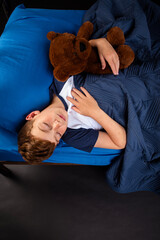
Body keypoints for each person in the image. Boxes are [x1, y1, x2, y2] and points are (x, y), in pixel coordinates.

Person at [18, 38, 127, 164]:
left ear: (33, 115)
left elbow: (81, 50)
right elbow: (120, 142)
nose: (58, 124)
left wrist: (100, 43)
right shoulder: (73, 135)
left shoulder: (61, 80)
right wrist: (95, 112)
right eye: (58, 135)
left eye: (46, 126)